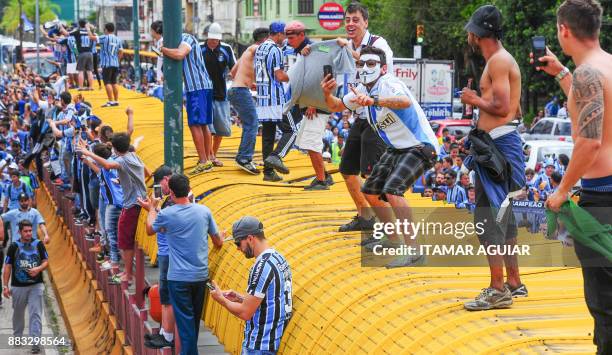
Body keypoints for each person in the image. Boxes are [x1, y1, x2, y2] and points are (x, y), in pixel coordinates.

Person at [536, 0, 612, 352]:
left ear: (564, 31)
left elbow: (589, 141)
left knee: (605, 302)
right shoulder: (605, 67)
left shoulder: (587, 75)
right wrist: (562, 74)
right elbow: (593, 110)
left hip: (602, 199)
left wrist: (562, 192)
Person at [321, 46, 439, 267]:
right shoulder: (360, 92)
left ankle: (414, 251)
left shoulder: (388, 83)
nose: (365, 68)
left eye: (371, 64)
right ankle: (393, 238)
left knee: (392, 190)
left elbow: (404, 101)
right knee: (370, 191)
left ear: (383, 68)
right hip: (397, 149)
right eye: (361, 64)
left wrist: (374, 101)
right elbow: (335, 106)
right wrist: (327, 93)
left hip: (420, 146)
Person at [460, 4, 527, 311]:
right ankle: (513, 281)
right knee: (504, 216)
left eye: (471, 32)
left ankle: (497, 288)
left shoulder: (498, 61)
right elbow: (515, 110)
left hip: (498, 147)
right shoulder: (501, 60)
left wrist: (473, 99)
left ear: (479, 33)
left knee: (488, 218)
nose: (469, 36)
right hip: (500, 144)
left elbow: (501, 107)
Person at [139, 174, 224, 353]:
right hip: (200, 276)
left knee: (185, 323)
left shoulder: (168, 214)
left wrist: (153, 208)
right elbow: (218, 241)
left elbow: (149, 229)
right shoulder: (204, 211)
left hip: (178, 279)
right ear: (189, 189)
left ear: (170, 193)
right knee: (192, 322)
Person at [335, 3, 395, 233]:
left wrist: (350, 51)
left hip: (379, 115)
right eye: (347, 19)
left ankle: (390, 232)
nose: (350, 24)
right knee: (347, 169)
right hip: (360, 115)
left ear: (366, 23)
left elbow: (378, 67)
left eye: (355, 20)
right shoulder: (347, 45)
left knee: (371, 176)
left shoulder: (378, 43)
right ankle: (365, 216)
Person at [76, 113, 146, 284]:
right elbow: (146, 172)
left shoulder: (123, 161)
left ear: (115, 148)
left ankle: (128, 275)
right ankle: (126, 272)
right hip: (131, 202)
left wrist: (87, 152)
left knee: (125, 241)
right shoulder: (132, 156)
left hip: (131, 205)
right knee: (122, 239)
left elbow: (107, 165)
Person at [209, 216, 292, 354]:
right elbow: (271, 301)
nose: (238, 249)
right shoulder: (278, 258)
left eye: (238, 243)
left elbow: (245, 313)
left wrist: (221, 300)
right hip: (272, 342)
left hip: (259, 345)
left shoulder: (262, 266)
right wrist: (240, 298)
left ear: (250, 239)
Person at [158, 23, 215, 176]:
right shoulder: (186, 39)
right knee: (203, 125)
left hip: (197, 87)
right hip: (202, 86)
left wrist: (162, 50)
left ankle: (204, 161)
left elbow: (179, 54)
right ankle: (207, 158)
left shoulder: (186, 38)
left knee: (195, 124)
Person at [2, 220, 48, 354]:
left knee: (35, 314)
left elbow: (46, 262)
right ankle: (17, 337)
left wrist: (38, 269)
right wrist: (5, 286)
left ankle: (35, 343)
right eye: (25, 231)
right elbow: (8, 266)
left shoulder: (38, 244)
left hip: (36, 285)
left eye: (30, 231)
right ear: (19, 232)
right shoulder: (13, 247)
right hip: (18, 287)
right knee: (18, 314)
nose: (28, 234)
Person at [229, 28, 269, 175]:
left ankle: (243, 156)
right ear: (265, 39)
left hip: (236, 90)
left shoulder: (246, 52)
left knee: (249, 123)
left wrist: (249, 81)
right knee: (252, 123)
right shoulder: (254, 48)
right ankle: (244, 158)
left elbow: (233, 72)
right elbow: (256, 49)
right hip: (240, 91)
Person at [254, 22, 291, 182]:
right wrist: (295, 76)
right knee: (291, 130)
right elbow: (279, 76)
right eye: (285, 34)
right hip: (275, 98)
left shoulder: (260, 48)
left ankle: (268, 173)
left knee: (268, 136)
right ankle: (276, 156)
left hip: (262, 98)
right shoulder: (275, 50)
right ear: (278, 34)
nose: (286, 38)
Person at [201, 23, 236, 167]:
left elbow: (235, 68)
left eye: (217, 39)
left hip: (221, 94)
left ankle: (213, 154)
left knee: (221, 129)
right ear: (207, 37)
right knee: (208, 128)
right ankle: (210, 155)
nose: (214, 41)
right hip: (204, 94)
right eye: (212, 39)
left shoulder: (226, 49)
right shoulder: (199, 48)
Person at [88, 23, 123, 107]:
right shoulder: (118, 39)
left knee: (107, 82)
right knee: (114, 82)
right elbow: (121, 51)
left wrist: (88, 29)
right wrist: (117, 60)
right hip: (115, 63)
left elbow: (91, 37)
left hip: (106, 64)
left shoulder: (104, 37)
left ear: (106, 29)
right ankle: (116, 100)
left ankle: (110, 101)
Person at [71, 19, 95, 90]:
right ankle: (91, 87)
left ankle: (81, 87)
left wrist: (61, 28)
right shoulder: (89, 31)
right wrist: (88, 25)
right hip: (90, 53)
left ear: (79, 24)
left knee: (81, 71)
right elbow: (93, 27)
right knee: (89, 71)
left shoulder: (77, 32)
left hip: (82, 53)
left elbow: (67, 34)